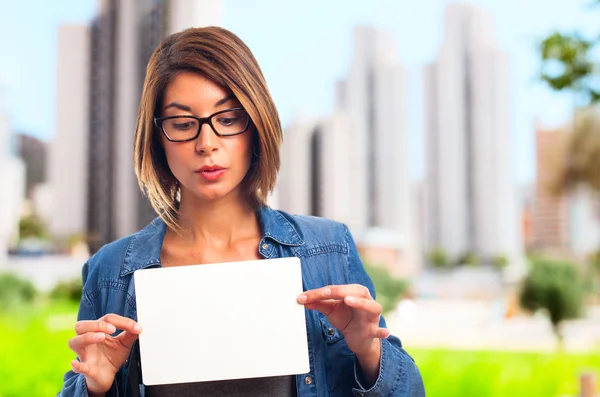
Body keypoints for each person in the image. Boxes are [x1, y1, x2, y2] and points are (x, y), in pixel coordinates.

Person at [58, 26, 425, 397]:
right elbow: (85, 382)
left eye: (228, 119)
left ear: (257, 124)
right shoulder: (111, 271)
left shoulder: (329, 249)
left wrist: (369, 350)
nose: (207, 144)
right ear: (157, 138)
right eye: (183, 124)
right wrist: (94, 388)